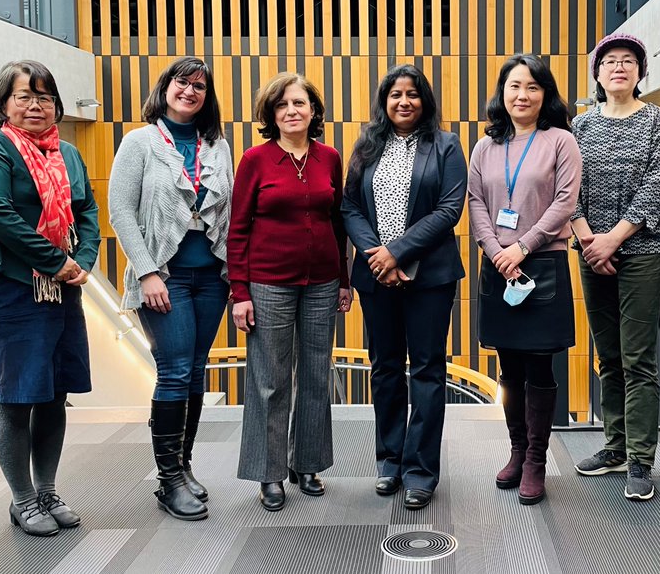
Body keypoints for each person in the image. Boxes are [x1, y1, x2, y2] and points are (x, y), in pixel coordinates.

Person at [0, 60, 100, 536]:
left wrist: (83, 257)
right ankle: (22, 500)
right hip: (12, 288)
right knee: (16, 396)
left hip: (61, 289)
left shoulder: (68, 152)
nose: (36, 105)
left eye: (44, 96)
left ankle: (46, 489)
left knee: (53, 393)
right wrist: (56, 261)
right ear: (4, 104)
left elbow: (86, 209)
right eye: (24, 96)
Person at [108, 57, 233, 521]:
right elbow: (120, 211)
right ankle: (167, 481)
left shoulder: (217, 145)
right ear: (165, 88)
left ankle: (184, 466)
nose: (190, 91)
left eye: (200, 86)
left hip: (211, 278)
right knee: (175, 371)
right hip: (164, 277)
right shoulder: (139, 142)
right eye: (182, 82)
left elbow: (230, 211)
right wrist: (146, 272)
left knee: (197, 370)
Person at [341, 64, 465, 511]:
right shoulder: (366, 146)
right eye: (395, 94)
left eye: (412, 94)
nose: (404, 102)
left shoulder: (446, 146)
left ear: (424, 100)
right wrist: (378, 255)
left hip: (429, 276)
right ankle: (389, 462)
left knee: (428, 371)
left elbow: (450, 209)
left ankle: (420, 470)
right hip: (377, 278)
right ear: (384, 100)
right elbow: (350, 206)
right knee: (386, 369)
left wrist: (397, 252)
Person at [228, 72, 353, 512]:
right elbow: (238, 229)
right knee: (269, 380)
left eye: (299, 103)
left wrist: (344, 278)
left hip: (321, 282)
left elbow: (338, 223)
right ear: (271, 114)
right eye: (282, 105)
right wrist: (239, 291)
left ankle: (309, 464)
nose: (292, 111)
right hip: (267, 283)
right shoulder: (255, 160)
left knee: (317, 374)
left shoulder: (329, 158)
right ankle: (270, 473)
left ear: (314, 111)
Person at [467, 54, 581, 505]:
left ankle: (536, 460)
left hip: (542, 263)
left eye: (533, 87)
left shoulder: (561, 141)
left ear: (545, 94)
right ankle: (516, 452)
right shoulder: (485, 146)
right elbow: (475, 203)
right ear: (503, 92)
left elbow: (565, 203)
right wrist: (498, 252)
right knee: (509, 366)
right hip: (498, 266)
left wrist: (522, 247)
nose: (522, 95)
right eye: (515, 86)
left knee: (539, 365)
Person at [569, 33, 660, 502]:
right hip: (591, 249)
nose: (618, 67)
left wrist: (613, 239)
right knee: (608, 355)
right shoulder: (581, 125)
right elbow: (567, 187)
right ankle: (613, 446)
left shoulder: (658, 120)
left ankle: (640, 459)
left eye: (628, 61)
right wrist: (589, 239)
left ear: (640, 71)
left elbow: (656, 183)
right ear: (597, 72)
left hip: (643, 251)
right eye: (609, 61)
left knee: (639, 359)